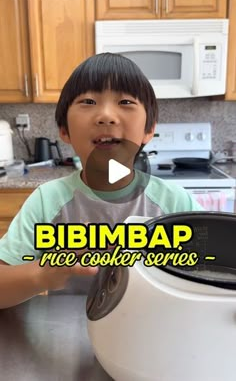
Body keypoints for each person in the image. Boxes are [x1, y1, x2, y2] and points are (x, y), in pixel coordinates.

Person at [0, 53, 203, 309]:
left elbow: (207, 279)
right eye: (88, 101)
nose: (106, 115)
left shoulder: (176, 202)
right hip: (67, 334)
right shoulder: (47, 202)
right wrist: (42, 275)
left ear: (148, 130)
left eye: (126, 102)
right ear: (64, 131)